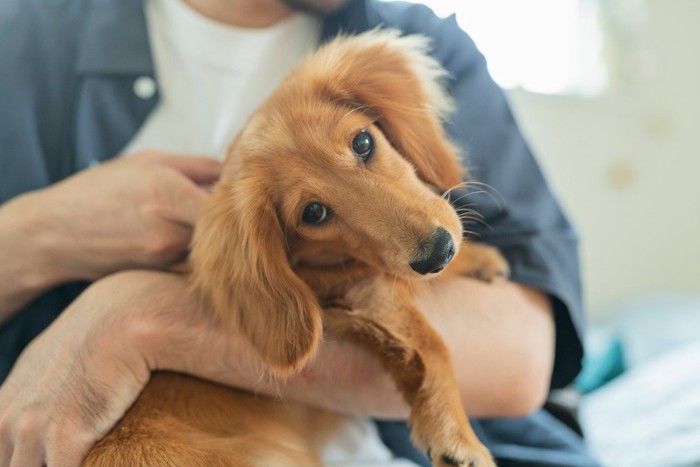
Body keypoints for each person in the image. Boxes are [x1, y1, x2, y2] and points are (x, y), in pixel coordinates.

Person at [0, 0, 599, 465]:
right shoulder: (26, 37)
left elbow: (523, 356)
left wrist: (142, 318)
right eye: (313, 214)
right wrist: (37, 233)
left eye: (364, 144)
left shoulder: (411, 38)